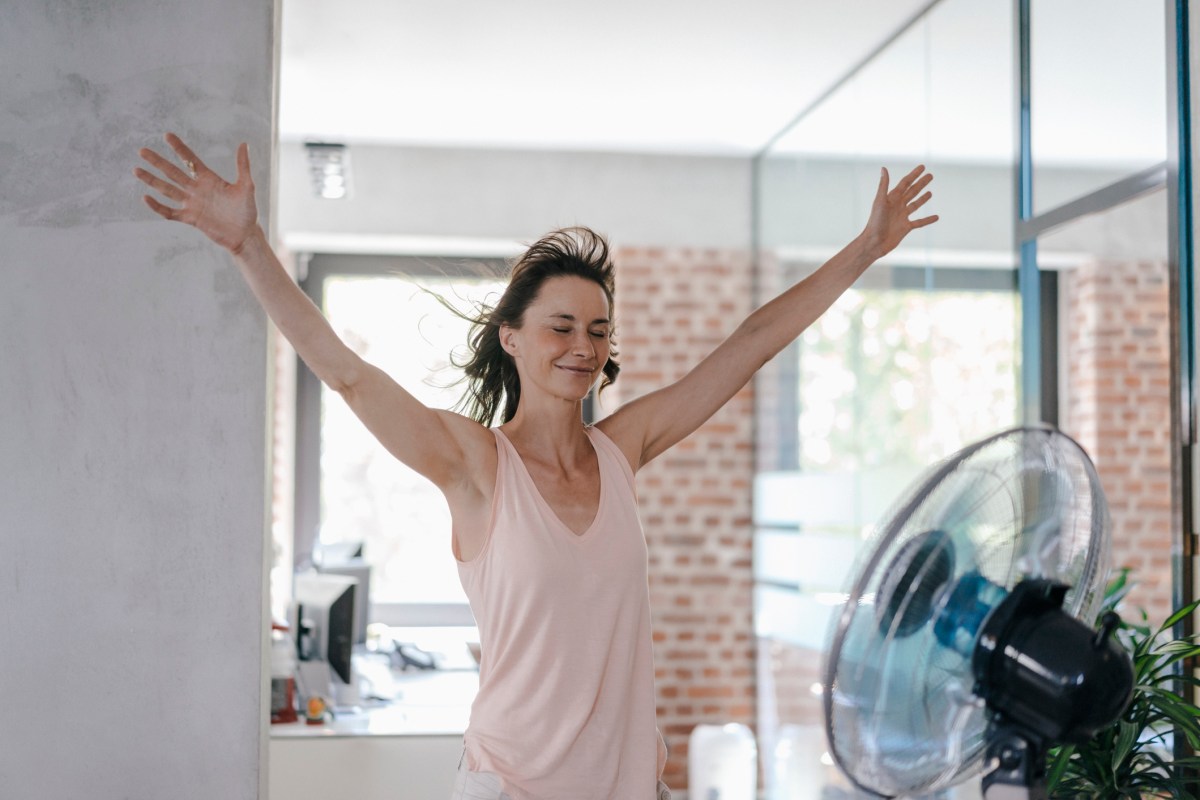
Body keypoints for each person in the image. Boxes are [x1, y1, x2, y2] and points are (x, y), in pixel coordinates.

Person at [134, 133, 936, 800]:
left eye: (598, 330)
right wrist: (248, 246)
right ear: (511, 337)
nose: (584, 347)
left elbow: (750, 345)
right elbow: (347, 374)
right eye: (561, 327)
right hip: (512, 786)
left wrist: (865, 249)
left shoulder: (625, 449)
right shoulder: (477, 465)